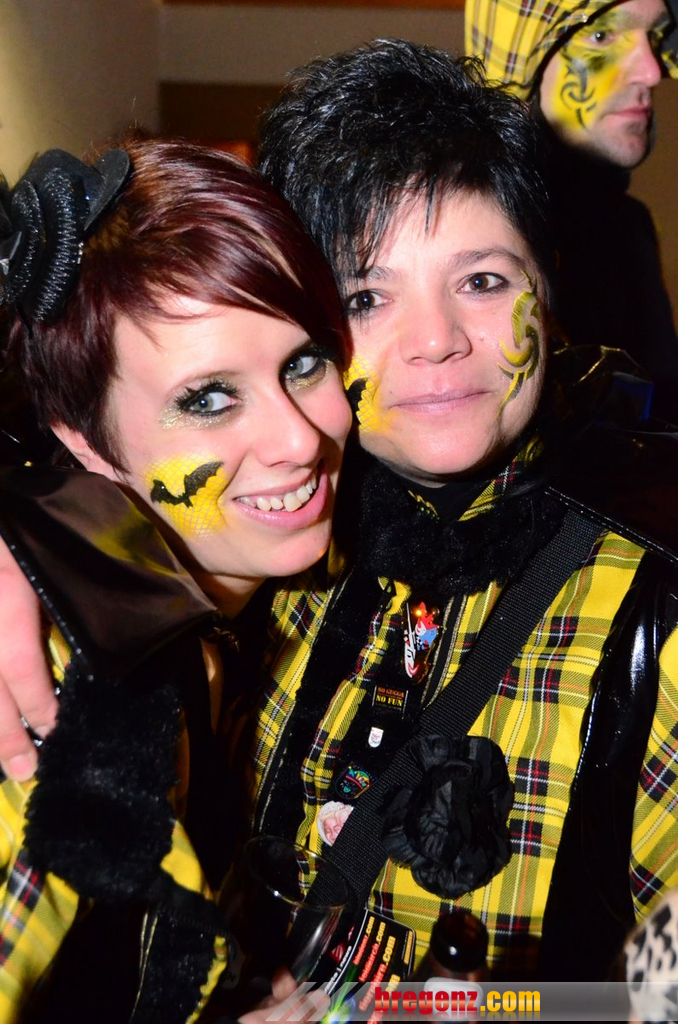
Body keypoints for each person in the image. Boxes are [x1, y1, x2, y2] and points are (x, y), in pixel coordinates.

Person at [2, 40, 678, 984]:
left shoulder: (651, 614)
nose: (436, 341)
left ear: (551, 292)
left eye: (483, 280)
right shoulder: (269, 546)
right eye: (366, 296)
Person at [0, 138, 350, 1022]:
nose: (299, 439)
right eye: (208, 398)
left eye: (305, 363)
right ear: (82, 439)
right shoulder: (59, 688)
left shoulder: (249, 604)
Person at [466, 0, 678, 419]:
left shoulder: (624, 225)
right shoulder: (480, 237)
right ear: (520, 59)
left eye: (654, 35)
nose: (652, 71)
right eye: (601, 36)